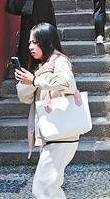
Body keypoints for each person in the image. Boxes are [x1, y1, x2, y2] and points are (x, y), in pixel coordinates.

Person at [15, 23, 79, 197]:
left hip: (60, 134)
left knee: (43, 187)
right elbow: (24, 97)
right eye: (29, 42)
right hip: (52, 134)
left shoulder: (60, 61)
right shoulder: (42, 66)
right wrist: (36, 76)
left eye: (35, 42)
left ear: (47, 42)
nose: (30, 47)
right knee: (48, 187)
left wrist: (35, 80)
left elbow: (68, 83)